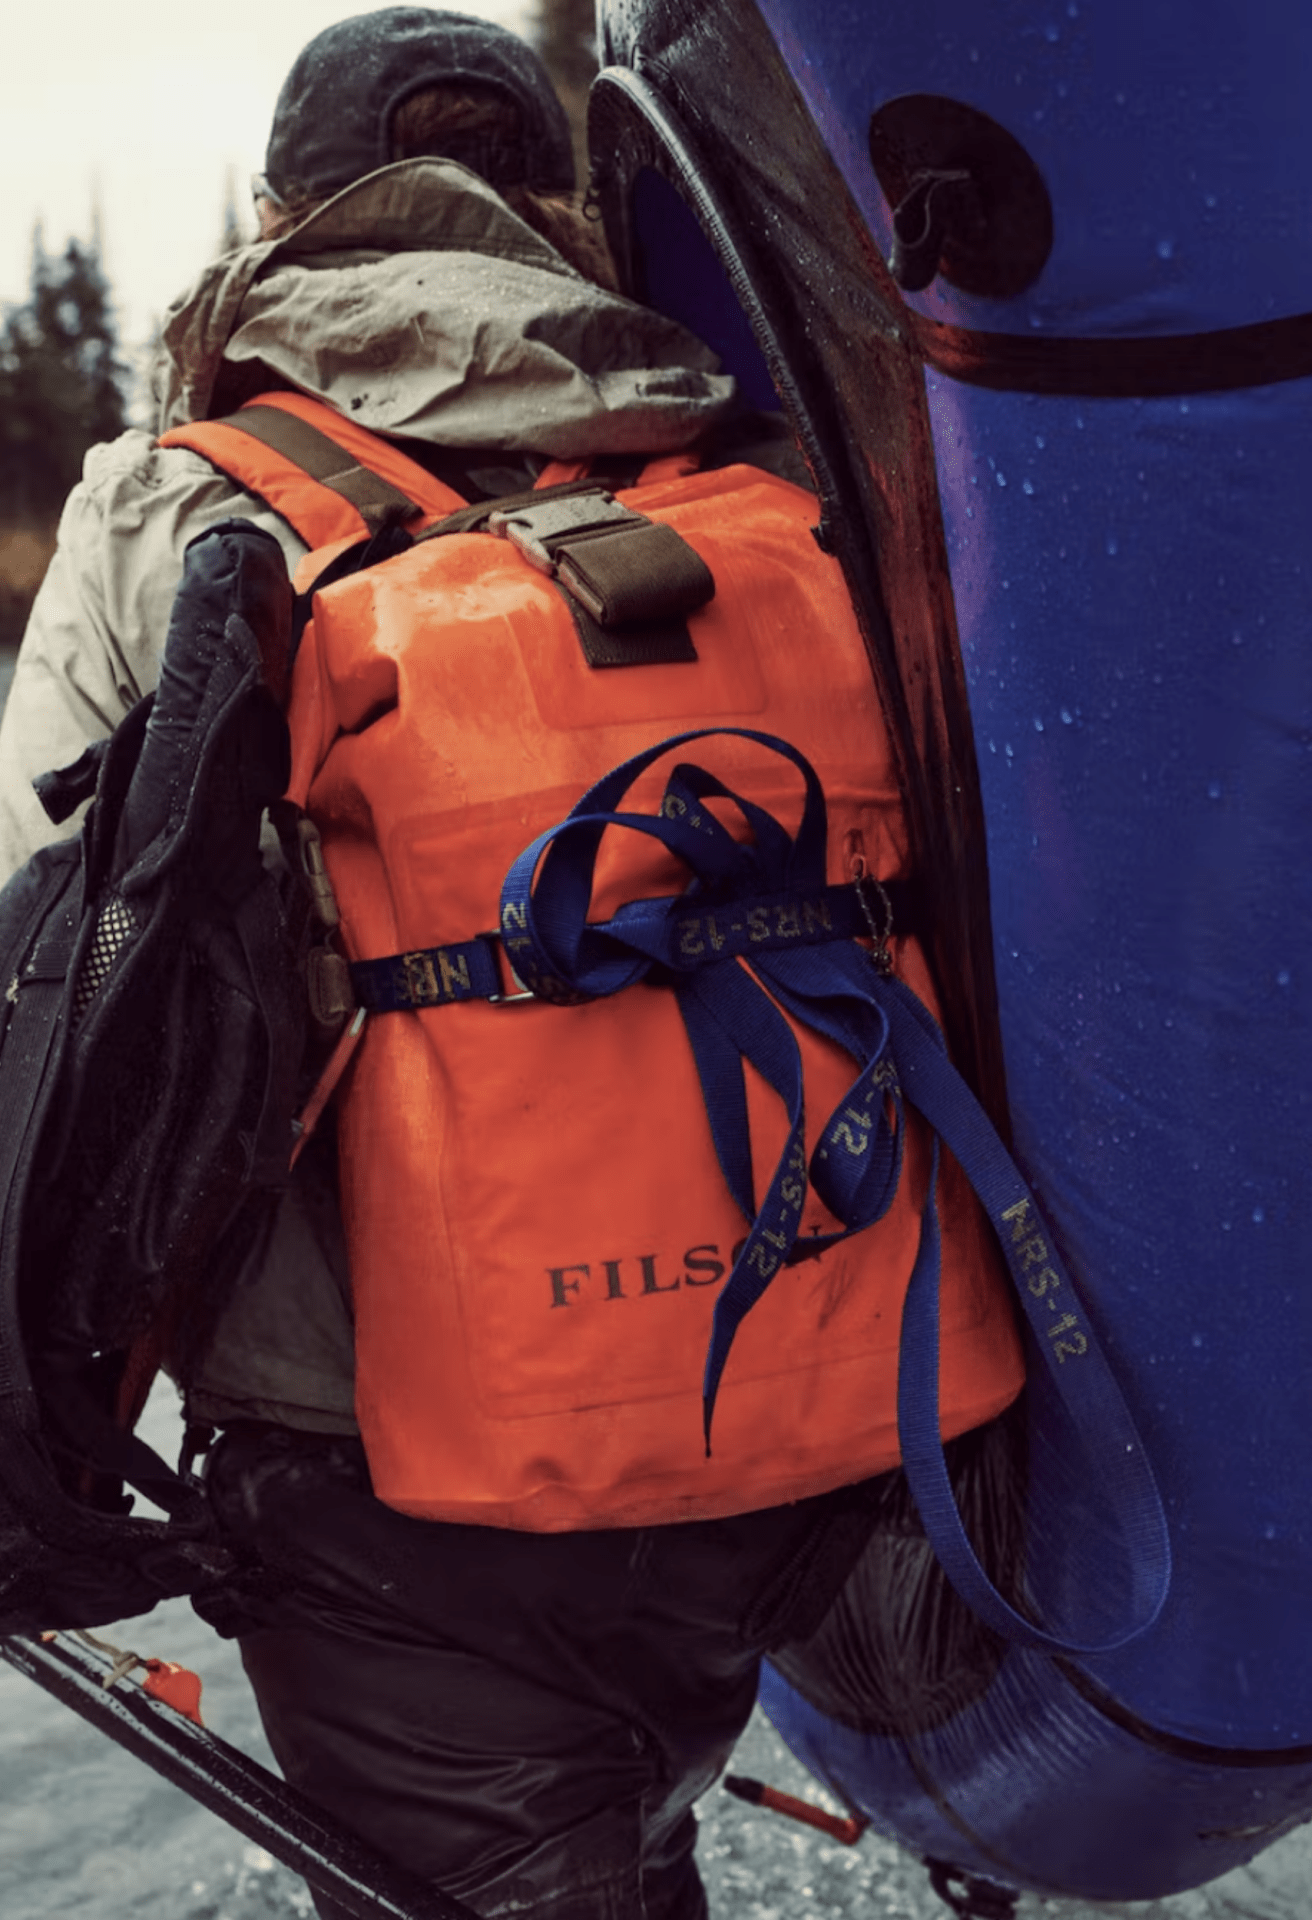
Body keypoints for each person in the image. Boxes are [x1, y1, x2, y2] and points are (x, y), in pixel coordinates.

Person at [0, 11, 886, 1917]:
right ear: (553, 210)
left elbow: (34, 961)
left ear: (276, 216)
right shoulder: (761, 469)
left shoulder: (167, 505)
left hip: (393, 1471)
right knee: (634, 1833)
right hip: (806, 1395)